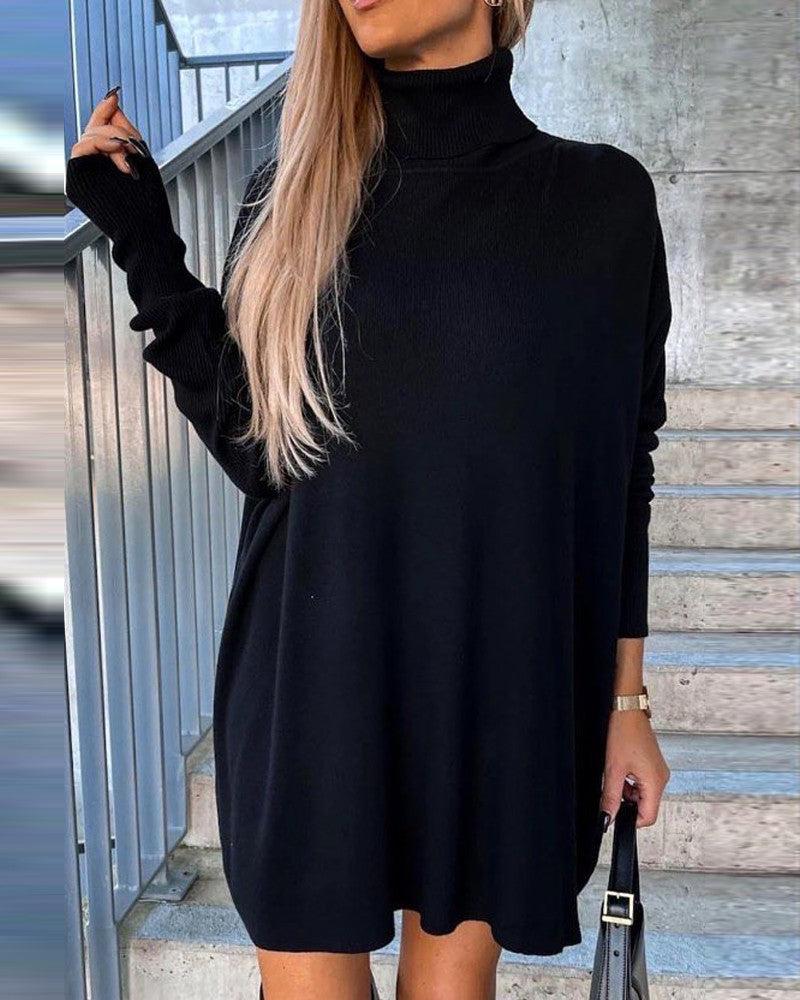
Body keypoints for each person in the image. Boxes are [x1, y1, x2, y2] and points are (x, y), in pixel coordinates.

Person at [66, 1, 672, 997]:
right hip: (311, 673)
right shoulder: (291, 196)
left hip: (497, 687)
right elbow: (258, 446)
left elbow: (621, 467)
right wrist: (143, 237)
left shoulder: (599, 200)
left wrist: (626, 699)